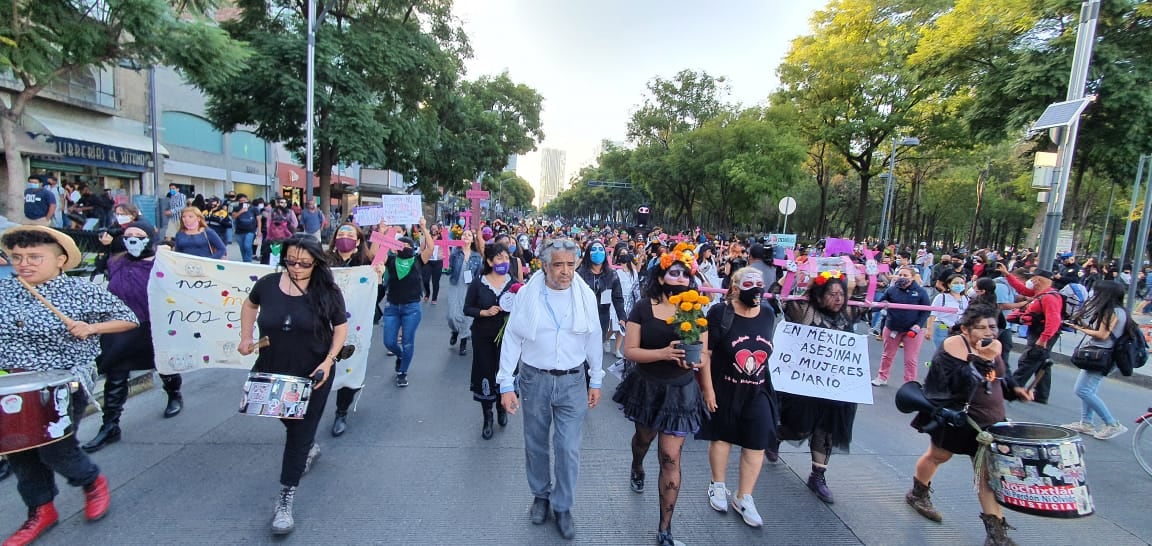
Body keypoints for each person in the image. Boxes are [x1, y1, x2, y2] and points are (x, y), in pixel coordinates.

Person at [1, 226, 139, 545]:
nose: (25, 263)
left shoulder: (80, 291)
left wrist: (91, 327)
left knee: (55, 450)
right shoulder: (5, 290)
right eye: (18, 257)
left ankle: (91, 481)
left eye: (35, 257)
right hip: (12, 384)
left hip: (63, 381)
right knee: (19, 451)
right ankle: (40, 510)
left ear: (60, 260)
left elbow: (128, 318)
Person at [237, 235, 348, 535]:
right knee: (290, 422)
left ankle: (285, 499)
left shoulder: (326, 290)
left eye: (304, 263)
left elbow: (340, 327)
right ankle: (308, 446)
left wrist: (328, 361)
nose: (296, 268)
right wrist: (246, 337)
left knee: (298, 433)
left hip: (313, 373)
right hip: (272, 369)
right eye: (291, 261)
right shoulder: (267, 285)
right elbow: (249, 306)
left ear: (316, 262)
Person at [498, 238, 604, 541]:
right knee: (536, 443)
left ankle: (563, 505)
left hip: (573, 381)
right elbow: (513, 339)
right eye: (558, 265)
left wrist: (595, 379)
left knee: (568, 448)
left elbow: (593, 339)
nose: (565, 271)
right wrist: (506, 383)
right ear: (545, 266)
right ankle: (541, 496)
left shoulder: (584, 297)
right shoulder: (528, 296)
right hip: (534, 379)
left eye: (571, 265)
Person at [905, 304, 1031, 546]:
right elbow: (954, 384)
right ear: (965, 329)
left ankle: (996, 535)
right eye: (980, 327)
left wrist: (1015, 389)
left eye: (992, 326)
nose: (988, 332)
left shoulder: (995, 345)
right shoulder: (953, 346)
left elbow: (1001, 376)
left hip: (991, 422)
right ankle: (918, 493)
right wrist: (983, 359)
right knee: (938, 456)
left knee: (986, 475)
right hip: (958, 420)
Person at [614, 247, 713, 546]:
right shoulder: (643, 307)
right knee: (643, 440)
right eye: (674, 271)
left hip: (681, 392)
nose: (680, 277)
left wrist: (699, 370)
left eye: (686, 273)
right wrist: (663, 353)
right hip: (648, 387)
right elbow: (628, 351)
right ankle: (637, 465)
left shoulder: (697, 310)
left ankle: (665, 529)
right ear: (661, 274)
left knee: (670, 457)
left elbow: (704, 353)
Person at [83, 221, 186, 453]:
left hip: (153, 325)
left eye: (139, 236)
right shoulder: (116, 261)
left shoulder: (163, 264)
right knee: (115, 373)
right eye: (128, 236)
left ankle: (174, 394)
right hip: (120, 327)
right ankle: (110, 425)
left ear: (150, 239)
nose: (132, 240)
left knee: (165, 365)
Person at [698, 267, 777, 529]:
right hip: (725, 387)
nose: (755, 288)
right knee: (722, 437)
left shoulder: (768, 313)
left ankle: (744, 496)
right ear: (734, 287)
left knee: (756, 442)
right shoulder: (720, 313)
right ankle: (718, 484)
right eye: (749, 283)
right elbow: (706, 354)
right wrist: (707, 389)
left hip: (758, 390)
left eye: (759, 283)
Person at [777, 267, 861, 504]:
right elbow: (780, 297)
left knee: (827, 431)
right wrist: (792, 275)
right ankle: (776, 436)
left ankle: (818, 475)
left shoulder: (849, 313)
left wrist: (866, 275)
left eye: (841, 294)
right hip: (804, 387)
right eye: (832, 293)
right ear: (819, 293)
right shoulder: (804, 310)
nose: (838, 299)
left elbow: (867, 297)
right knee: (799, 428)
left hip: (835, 388)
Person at [326, 223, 382, 437]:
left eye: (350, 234)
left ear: (358, 241)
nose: (345, 237)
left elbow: (378, 293)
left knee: (351, 364)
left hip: (354, 324)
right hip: (325, 321)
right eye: (341, 233)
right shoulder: (323, 261)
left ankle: (341, 411)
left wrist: (378, 277)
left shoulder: (366, 264)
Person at [1061, 280, 1130, 440]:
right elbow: (1103, 332)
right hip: (1104, 354)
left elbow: (1102, 335)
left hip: (1101, 355)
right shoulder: (1120, 310)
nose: (1094, 294)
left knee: (1082, 390)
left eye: (1097, 291)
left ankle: (1112, 424)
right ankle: (1086, 422)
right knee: (1088, 390)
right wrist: (1083, 324)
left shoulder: (1111, 311)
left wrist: (1078, 328)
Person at [463, 244, 513, 440]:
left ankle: (502, 407)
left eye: (506, 258)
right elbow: (467, 308)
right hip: (482, 336)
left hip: (507, 339)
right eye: (499, 259)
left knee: (503, 373)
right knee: (485, 374)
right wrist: (483, 312)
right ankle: (487, 416)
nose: (504, 262)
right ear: (490, 262)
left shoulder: (514, 284)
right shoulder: (478, 283)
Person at [382, 218, 435, 388]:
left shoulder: (418, 261)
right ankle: (401, 356)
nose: (405, 248)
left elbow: (431, 248)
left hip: (411, 308)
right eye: (401, 246)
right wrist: (383, 232)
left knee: (407, 341)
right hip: (392, 307)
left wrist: (424, 228)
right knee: (389, 342)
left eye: (408, 246)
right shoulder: (390, 261)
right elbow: (375, 255)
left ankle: (402, 372)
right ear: (395, 249)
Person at [1000, 267, 1062, 404]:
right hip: (1038, 331)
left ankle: (1011, 388)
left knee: (1029, 360)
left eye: (1032, 278)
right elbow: (1022, 289)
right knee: (1041, 362)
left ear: (1038, 280)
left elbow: (1054, 320)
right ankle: (1042, 394)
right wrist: (1007, 275)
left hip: (1042, 333)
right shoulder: (1040, 293)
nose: (1030, 281)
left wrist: (1044, 338)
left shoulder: (1049, 297)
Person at [872, 266, 931, 386]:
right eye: (900, 275)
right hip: (892, 327)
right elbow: (879, 304)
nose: (902, 277)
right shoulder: (892, 290)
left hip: (913, 330)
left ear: (913, 277)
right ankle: (882, 377)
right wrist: (879, 304)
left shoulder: (921, 292)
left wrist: (918, 325)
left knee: (911, 359)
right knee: (887, 355)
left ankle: (909, 384)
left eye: (906, 276)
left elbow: (926, 310)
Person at [577, 239, 626, 355]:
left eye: (600, 249)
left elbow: (617, 297)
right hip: (583, 317)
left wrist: (622, 317)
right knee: (582, 350)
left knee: (596, 349)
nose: (597, 252)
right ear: (588, 253)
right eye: (594, 250)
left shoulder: (612, 275)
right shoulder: (580, 274)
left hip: (602, 316)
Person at [446, 228, 483, 356]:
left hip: (469, 287)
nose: (466, 236)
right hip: (455, 285)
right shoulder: (455, 254)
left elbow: (479, 273)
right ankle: (455, 330)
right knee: (452, 314)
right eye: (464, 235)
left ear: (472, 239)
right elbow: (449, 267)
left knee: (467, 315)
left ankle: (463, 341)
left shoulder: (477, 256)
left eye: (469, 235)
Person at [926, 274, 970, 354]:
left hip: (958, 329)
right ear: (949, 284)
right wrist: (929, 329)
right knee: (942, 352)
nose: (959, 285)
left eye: (961, 283)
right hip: (942, 326)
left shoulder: (966, 298)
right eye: (956, 283)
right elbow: (932, 314)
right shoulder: (941, 297)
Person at [611, 245, 642, 359]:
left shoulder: (634, 273)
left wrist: (637, 302)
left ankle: (617, 349)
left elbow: (636, 288)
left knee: (622, 326)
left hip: (628, 302)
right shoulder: (616, 272)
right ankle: (606, 339)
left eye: (625, 262)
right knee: (613, 327)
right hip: (617, 300)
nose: (623, 264)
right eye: (622, 262)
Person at [261, 197, 299, 265]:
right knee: (274, 253)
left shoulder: (290, 212)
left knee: (285, 252)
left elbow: (295, 223)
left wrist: (289, 228)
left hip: (286, 236)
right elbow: (268, 224)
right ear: (277, 203)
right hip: (274, 237)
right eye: (281, 202)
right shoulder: (272, 212)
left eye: (285, 203)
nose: (283, 204)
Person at [231, 194, 259, 263]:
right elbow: (234, 216)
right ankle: (245, 261)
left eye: (244, 200)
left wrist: (259, 231)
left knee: (247, 246)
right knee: (242, 247)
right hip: (239, 231)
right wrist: (241, 211)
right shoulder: (236, 208)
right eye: (240, 201)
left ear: (247, 200)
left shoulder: (254, 208)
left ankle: (248, 261)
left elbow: (259, 220)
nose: (242, 202)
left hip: (250, 230)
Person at [421, 223, 445, 304]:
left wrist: (445, 260)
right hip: (427, 261)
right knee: (425, 280)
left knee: (435, 281)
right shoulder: (426, 237)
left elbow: (446, 250)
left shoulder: (442, 238)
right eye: (432, 228)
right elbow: (422, 249)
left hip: (438, 262)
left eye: (436, 228)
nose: (434, 230)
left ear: (439, 229)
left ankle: (434, 298)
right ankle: (427, 293)